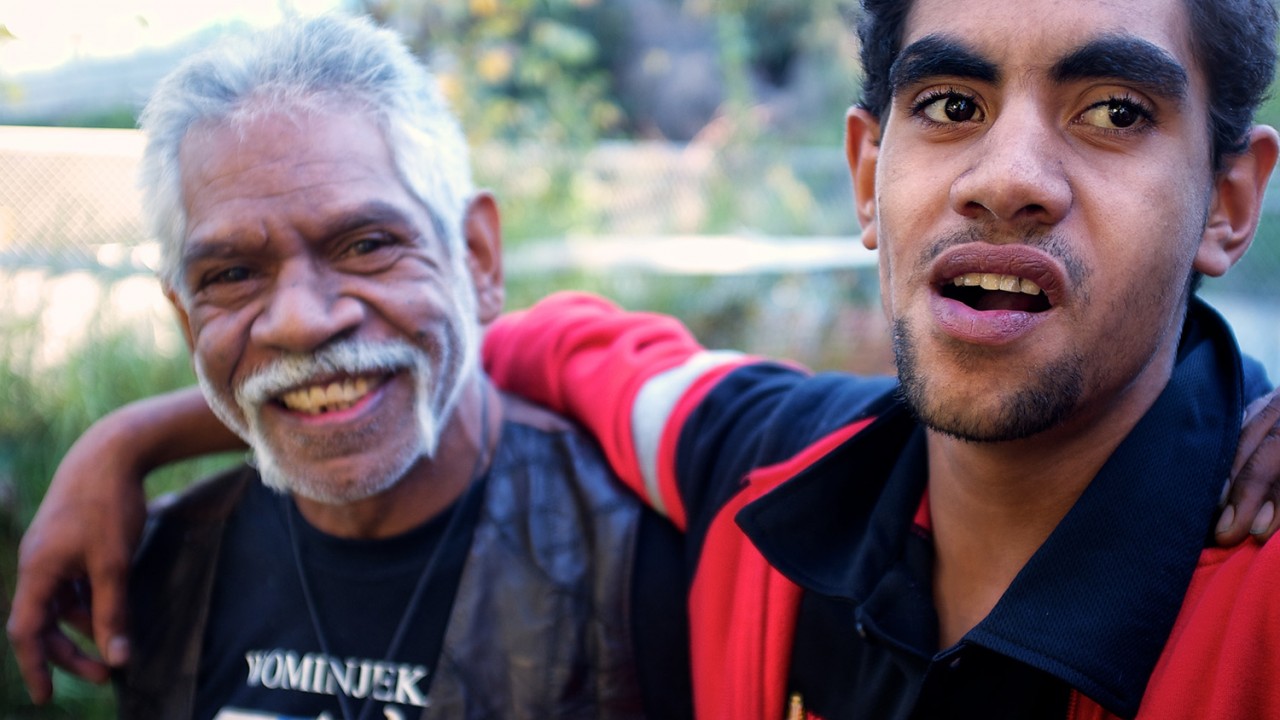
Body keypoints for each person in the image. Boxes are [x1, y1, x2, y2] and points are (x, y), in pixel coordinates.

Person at [8, 1, 1280, 719]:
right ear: (865, 172)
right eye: (946, 104)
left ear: (1230, 202)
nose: (1006, 177)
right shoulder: (763, 474)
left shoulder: (1251, 601)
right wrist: (134, 435)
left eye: (1113, 111)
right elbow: (501, 337)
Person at [6, 14, 693, 720]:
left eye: (366, 245)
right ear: (187, 320)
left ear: (478, 258)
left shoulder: (648, 567)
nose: (301, 321)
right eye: (234, 272)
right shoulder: (160, 571)